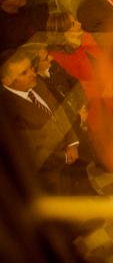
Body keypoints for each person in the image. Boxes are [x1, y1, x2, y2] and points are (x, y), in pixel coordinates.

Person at [0, 49, 97, 196]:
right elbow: (33, 151)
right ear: (6, 81)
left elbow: (58, 109)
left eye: (31, 68)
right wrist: (65, 156)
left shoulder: (37, 83)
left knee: (86, 190)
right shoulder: (7, 111)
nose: (33, 74)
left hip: (72, 154)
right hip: (53, 174)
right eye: (24, 73)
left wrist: (72, 142)